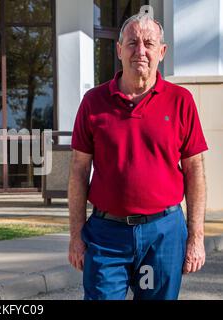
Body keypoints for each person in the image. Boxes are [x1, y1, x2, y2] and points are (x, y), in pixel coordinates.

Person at [68, 11, 208, 300]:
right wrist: (75, 236)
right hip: (107, 237)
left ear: (162, 51)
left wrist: (196, 238)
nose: (140, 51)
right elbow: (79, 172)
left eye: (148, 43)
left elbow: (195, 171)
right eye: (132, 43)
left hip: (163, 234)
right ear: (119, 50)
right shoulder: (93, 102)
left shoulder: (181, 102)